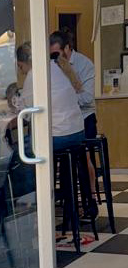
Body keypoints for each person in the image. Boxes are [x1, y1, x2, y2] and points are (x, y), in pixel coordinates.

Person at [49, 30, 98, 212]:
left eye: (57, 54)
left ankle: (90, 198)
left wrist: (66, 98)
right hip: (62, 121)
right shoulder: (52, 67)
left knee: (83, 156)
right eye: (51, 55)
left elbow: (87, 98)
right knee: (60, 153)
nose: (54, 58)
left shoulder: (84, 64)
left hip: (84, 117)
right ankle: (65, 203)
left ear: (67, 49)